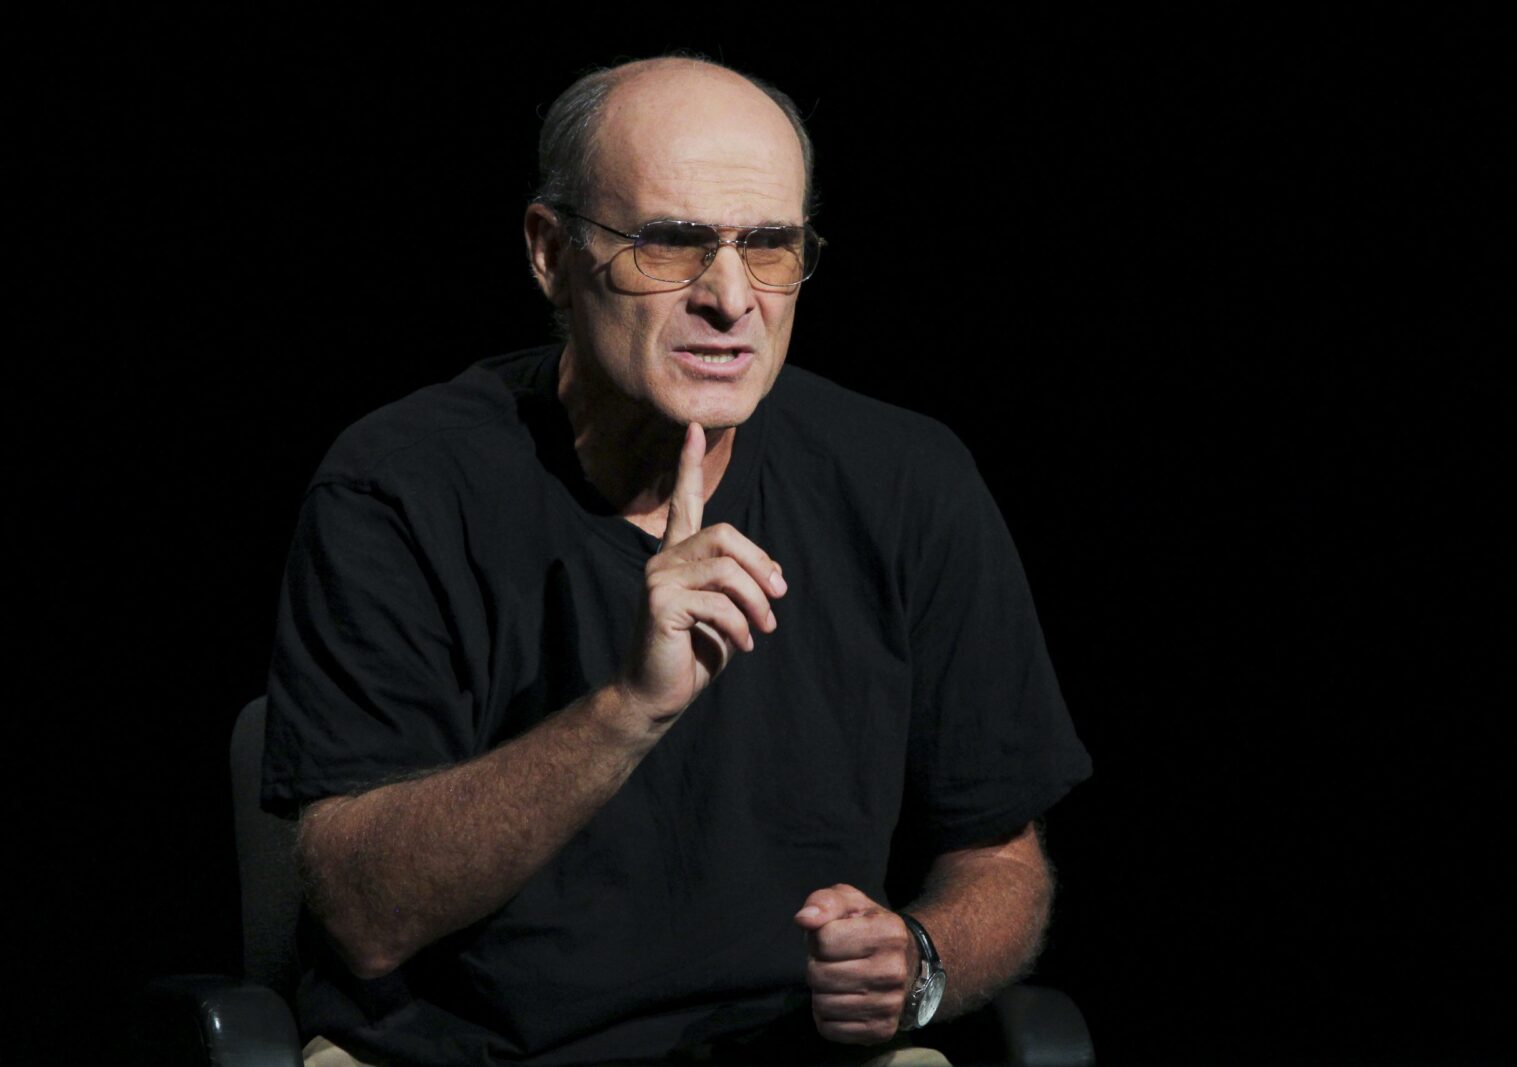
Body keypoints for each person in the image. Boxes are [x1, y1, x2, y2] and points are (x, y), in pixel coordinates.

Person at [262, 55, 1091, 1066]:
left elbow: (1001, 860)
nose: (732, 298)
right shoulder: (398, 486)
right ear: (550, 252)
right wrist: (629, 708)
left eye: (770, 246)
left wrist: (919, 962)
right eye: (671, 243)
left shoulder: (908, 479)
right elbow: (362, 911)